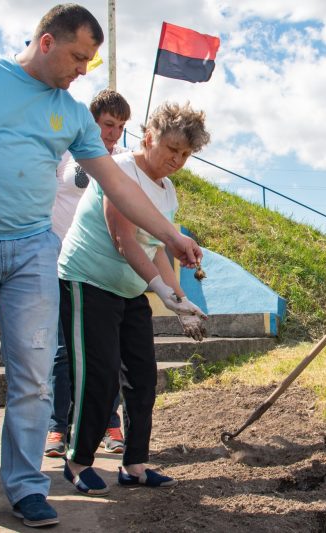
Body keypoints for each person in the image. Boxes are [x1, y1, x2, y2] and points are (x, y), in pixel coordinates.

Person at [0, 4, 201, 527]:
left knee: (35, 375)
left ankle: (25, 485)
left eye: (90, 61)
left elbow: (117, 185)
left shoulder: (71, 113)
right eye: (78, 57)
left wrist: (171, 235)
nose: (83, 71)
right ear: (47, 43)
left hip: (32, 250)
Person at [58, 101, 209, 496]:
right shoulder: (120, 170)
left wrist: (180, 300)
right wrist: (161, 290)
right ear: (148, 137)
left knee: (142, 377)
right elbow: (123, 239)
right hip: (89, 281)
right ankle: (77, 461)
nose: (176, 160)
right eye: (171, 148)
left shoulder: (168, 191)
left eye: (185, 154)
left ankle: (135, 465)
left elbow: (156, 247)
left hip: (128, 289)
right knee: (99, 374)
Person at [45, 88, 131, 459]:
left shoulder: (125, 161)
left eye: (120, 127)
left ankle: (109, 423)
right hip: (62, 263)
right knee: (63, 350)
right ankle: (57, 426)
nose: (113, 134)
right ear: (91, 122)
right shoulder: (65, 154)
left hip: (104, 269)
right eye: (108, 125)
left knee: (107, 351)